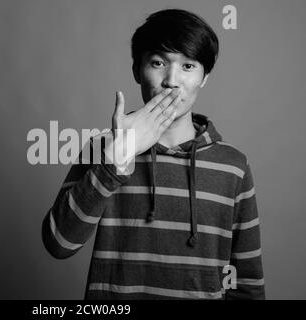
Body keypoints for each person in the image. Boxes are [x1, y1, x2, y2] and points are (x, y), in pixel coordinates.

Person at [42, 8, 265, 300]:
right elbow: (59, 243)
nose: (171, 80)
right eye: (158, 62)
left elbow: (246, 284)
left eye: (188, 66)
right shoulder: (103, 149)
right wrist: (115, 162)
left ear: (204, 76)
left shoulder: (234, 166)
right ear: (137, 70)